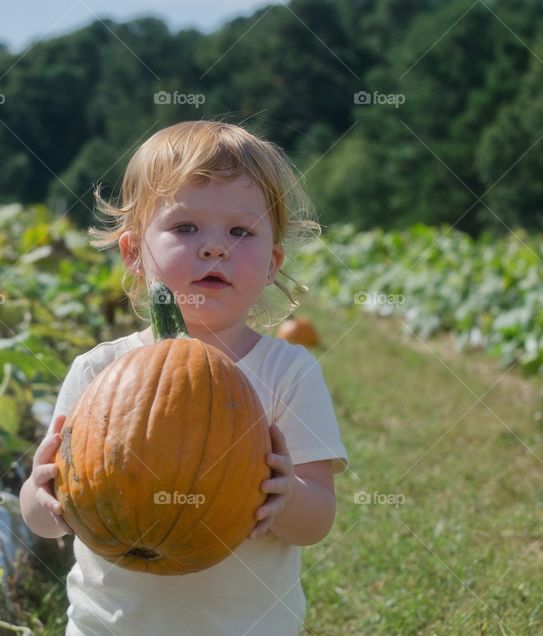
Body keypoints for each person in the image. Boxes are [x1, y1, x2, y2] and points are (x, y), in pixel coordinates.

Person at [19, 119, 349, 635]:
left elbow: (318, 516)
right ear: (134, 254)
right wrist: (40, 501)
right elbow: (45, 512)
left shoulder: (288, 372)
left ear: (271, 262)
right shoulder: (99, 371)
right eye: (185, 228)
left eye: (241, 232)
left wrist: (285, 497)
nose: (214, 247)